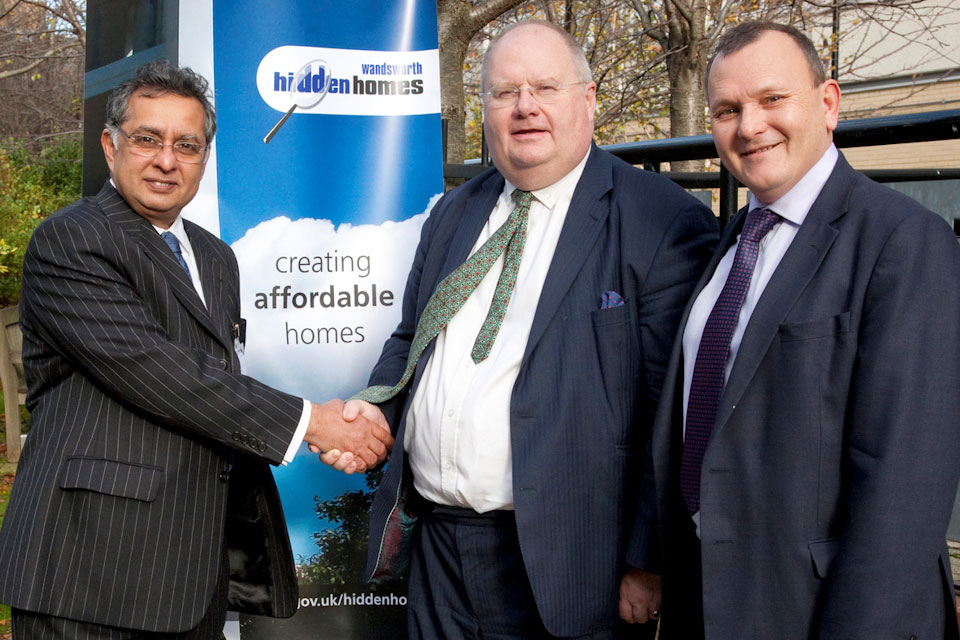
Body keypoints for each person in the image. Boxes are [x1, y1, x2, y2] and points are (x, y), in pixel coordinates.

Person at [321, 20, 718, 639]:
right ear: (484, 109)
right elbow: (411, 340)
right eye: (505, 92)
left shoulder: (660, 221)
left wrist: (648, 562)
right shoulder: (455, 212)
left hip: (572, 568)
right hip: (440, 556)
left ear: (587, 101)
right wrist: (377, 408)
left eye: (544, 88)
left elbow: (674, 413)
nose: (524, 107)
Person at [0, 60, 393, 639]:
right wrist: (313, 423)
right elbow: (160, 372)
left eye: (187, 145)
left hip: (191, 570)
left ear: (205, 158)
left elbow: (214, 383)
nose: (167, 160)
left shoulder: (214, 257)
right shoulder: (72, 239)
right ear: (110, 147)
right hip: (89, 573)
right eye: (147, 139)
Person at [623, 21, 960, 639]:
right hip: (710, 602)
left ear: (828, 103)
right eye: (727, 109)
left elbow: (904, 488)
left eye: (772, 99)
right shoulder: (728, 245)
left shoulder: (904, 243)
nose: (749, 126)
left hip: (821, 612)